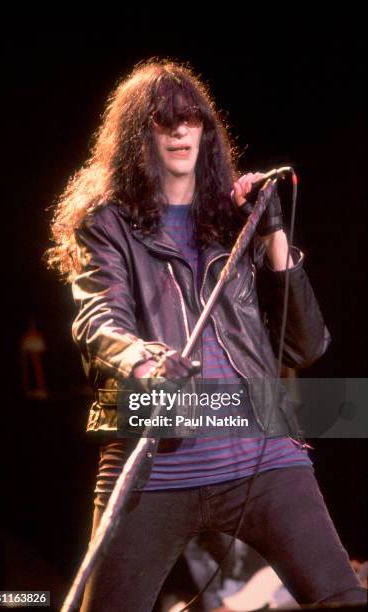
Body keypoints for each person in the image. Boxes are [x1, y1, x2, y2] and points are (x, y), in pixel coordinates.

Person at [46, 59, 367, 611]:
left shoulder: (233, 222)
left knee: (343, 598)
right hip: (157, 463)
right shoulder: (105, 224)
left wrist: (272, 238)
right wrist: (144, 358)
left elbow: (307, 346)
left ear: (206, 130)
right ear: (136, 135)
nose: (179, 131)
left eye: (191, 118)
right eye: (163, 120)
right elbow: (96, 317)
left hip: (264, 456)